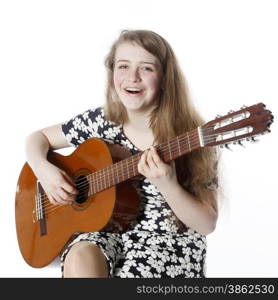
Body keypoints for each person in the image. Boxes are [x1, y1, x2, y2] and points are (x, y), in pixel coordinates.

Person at [25, 29, 219, 278]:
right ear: (112, 73)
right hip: (106, 234)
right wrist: (44, 169)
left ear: (165, 78)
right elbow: (36, 139)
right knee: (80, 254)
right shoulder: (100, 122)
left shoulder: (192, 138)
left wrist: (167, 184)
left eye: (147, 68)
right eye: (123, 66)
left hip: (168, 246)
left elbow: (206, 224)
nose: (132, 77)